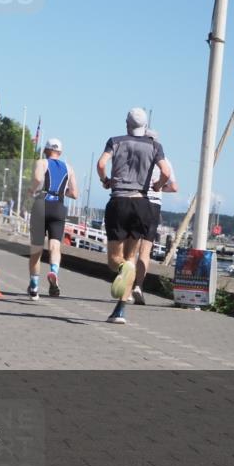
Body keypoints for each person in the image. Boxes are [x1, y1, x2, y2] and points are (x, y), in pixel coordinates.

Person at [97, 108, 171, 324]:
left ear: (126, 123)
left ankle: (123, 270)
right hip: (142, 203)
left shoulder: (115, 141)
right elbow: (165, 172)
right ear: (145, 126)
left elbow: (101, 164)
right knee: (131, 257)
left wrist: (105, 180)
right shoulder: (155, 146)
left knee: (114, 261)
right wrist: (157, 185)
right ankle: (120, 310)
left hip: (119, 200)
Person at [27, 138, 78, 299]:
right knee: (55, 246)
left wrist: (30, 191)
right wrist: (63, 192)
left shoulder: (41, 162)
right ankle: (54, 271)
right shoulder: (69, 168)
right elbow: (75, 194)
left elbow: (36, 179)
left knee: (36, 249)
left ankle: (34, 286)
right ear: (60, 152)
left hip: (41, 205)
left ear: (45, 150)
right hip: (58, 209)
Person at [132, 129, 178, 305]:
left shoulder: (137, 156)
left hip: (137, 202)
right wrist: (159, 187)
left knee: (131, 249)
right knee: (145, 250)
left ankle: (127, 289)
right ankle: (138, 286)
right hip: (154, 206)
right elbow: (174, 187)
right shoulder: (165, 160)